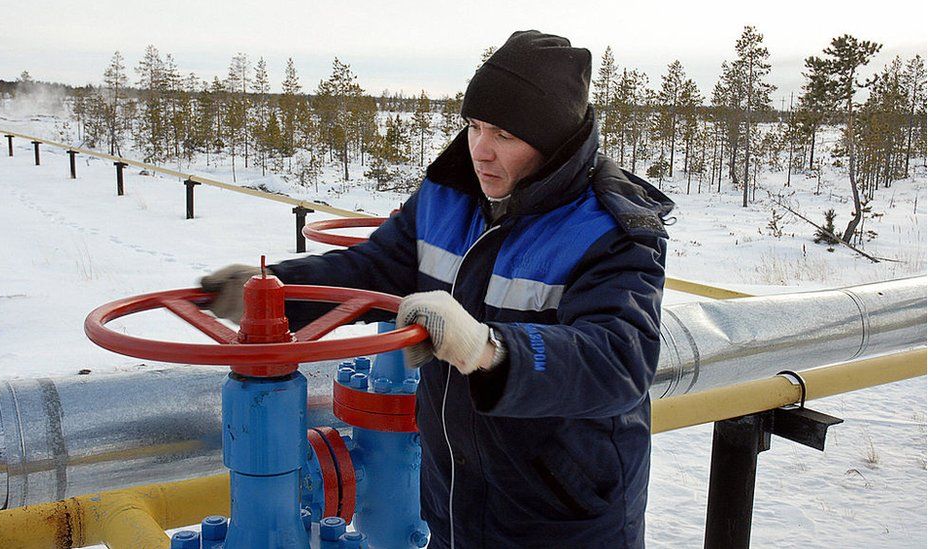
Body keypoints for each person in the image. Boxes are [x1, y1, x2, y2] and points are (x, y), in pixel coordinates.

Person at [202, 30, 674, 548]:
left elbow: (618, 360)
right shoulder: (448, 200)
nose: (481, 151)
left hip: (563, 515)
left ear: (555, 142)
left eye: (506, 136)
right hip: (452, 499)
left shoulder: (609, 231)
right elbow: (373, 269)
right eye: (474, 126)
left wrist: (489, 349)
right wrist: (274, 290)